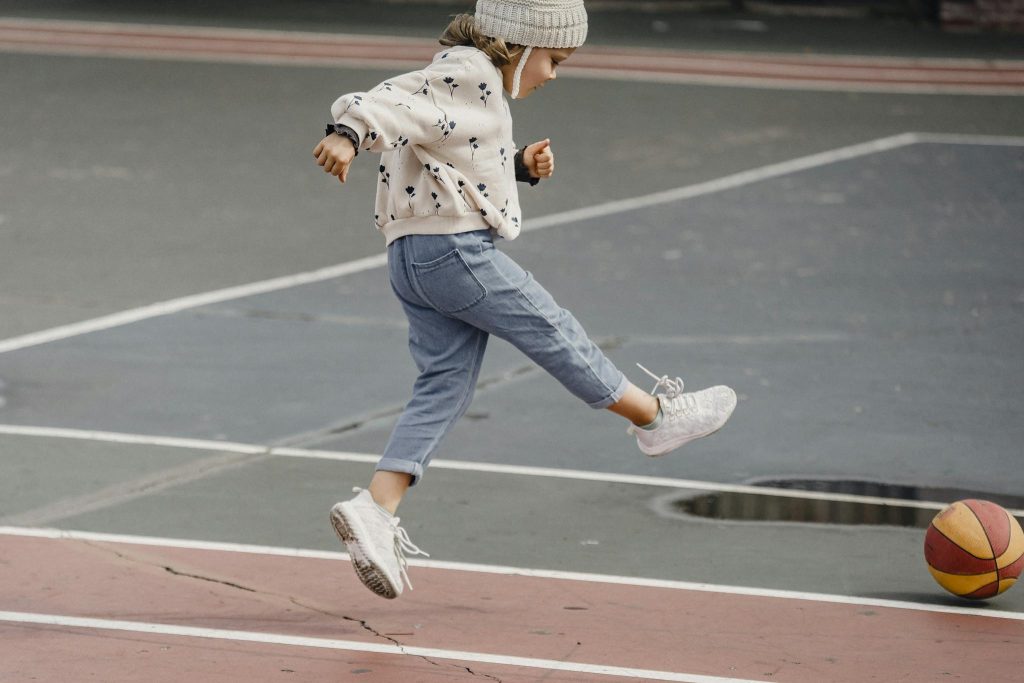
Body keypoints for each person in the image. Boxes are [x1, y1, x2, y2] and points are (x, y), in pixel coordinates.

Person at [313, 0, 736, 600]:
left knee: (444, 384)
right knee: (551, 328)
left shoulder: (463, 80)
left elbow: (446, 150)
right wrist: (348, 134)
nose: (554, 74)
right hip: (454, 253)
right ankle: (655, 419)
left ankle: (376, 509)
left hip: (410, 258)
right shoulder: (469, 71)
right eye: (554, 59)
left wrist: (516, 167)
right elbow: (391, 100)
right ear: (521, 46)